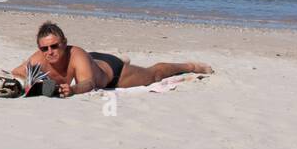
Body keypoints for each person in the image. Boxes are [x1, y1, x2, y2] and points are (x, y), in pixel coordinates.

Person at [11, 22, 212, 95]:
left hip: (112, 72)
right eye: (45, 48)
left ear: (64, 43)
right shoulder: (39, 58)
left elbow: (88, 83)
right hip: (92, 63)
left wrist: (72, 89)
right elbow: (16, 73)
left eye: (54, 46)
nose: (50, 52)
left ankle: (190, 65)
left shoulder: (76, 53)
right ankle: (124, 60)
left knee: (155, 75)